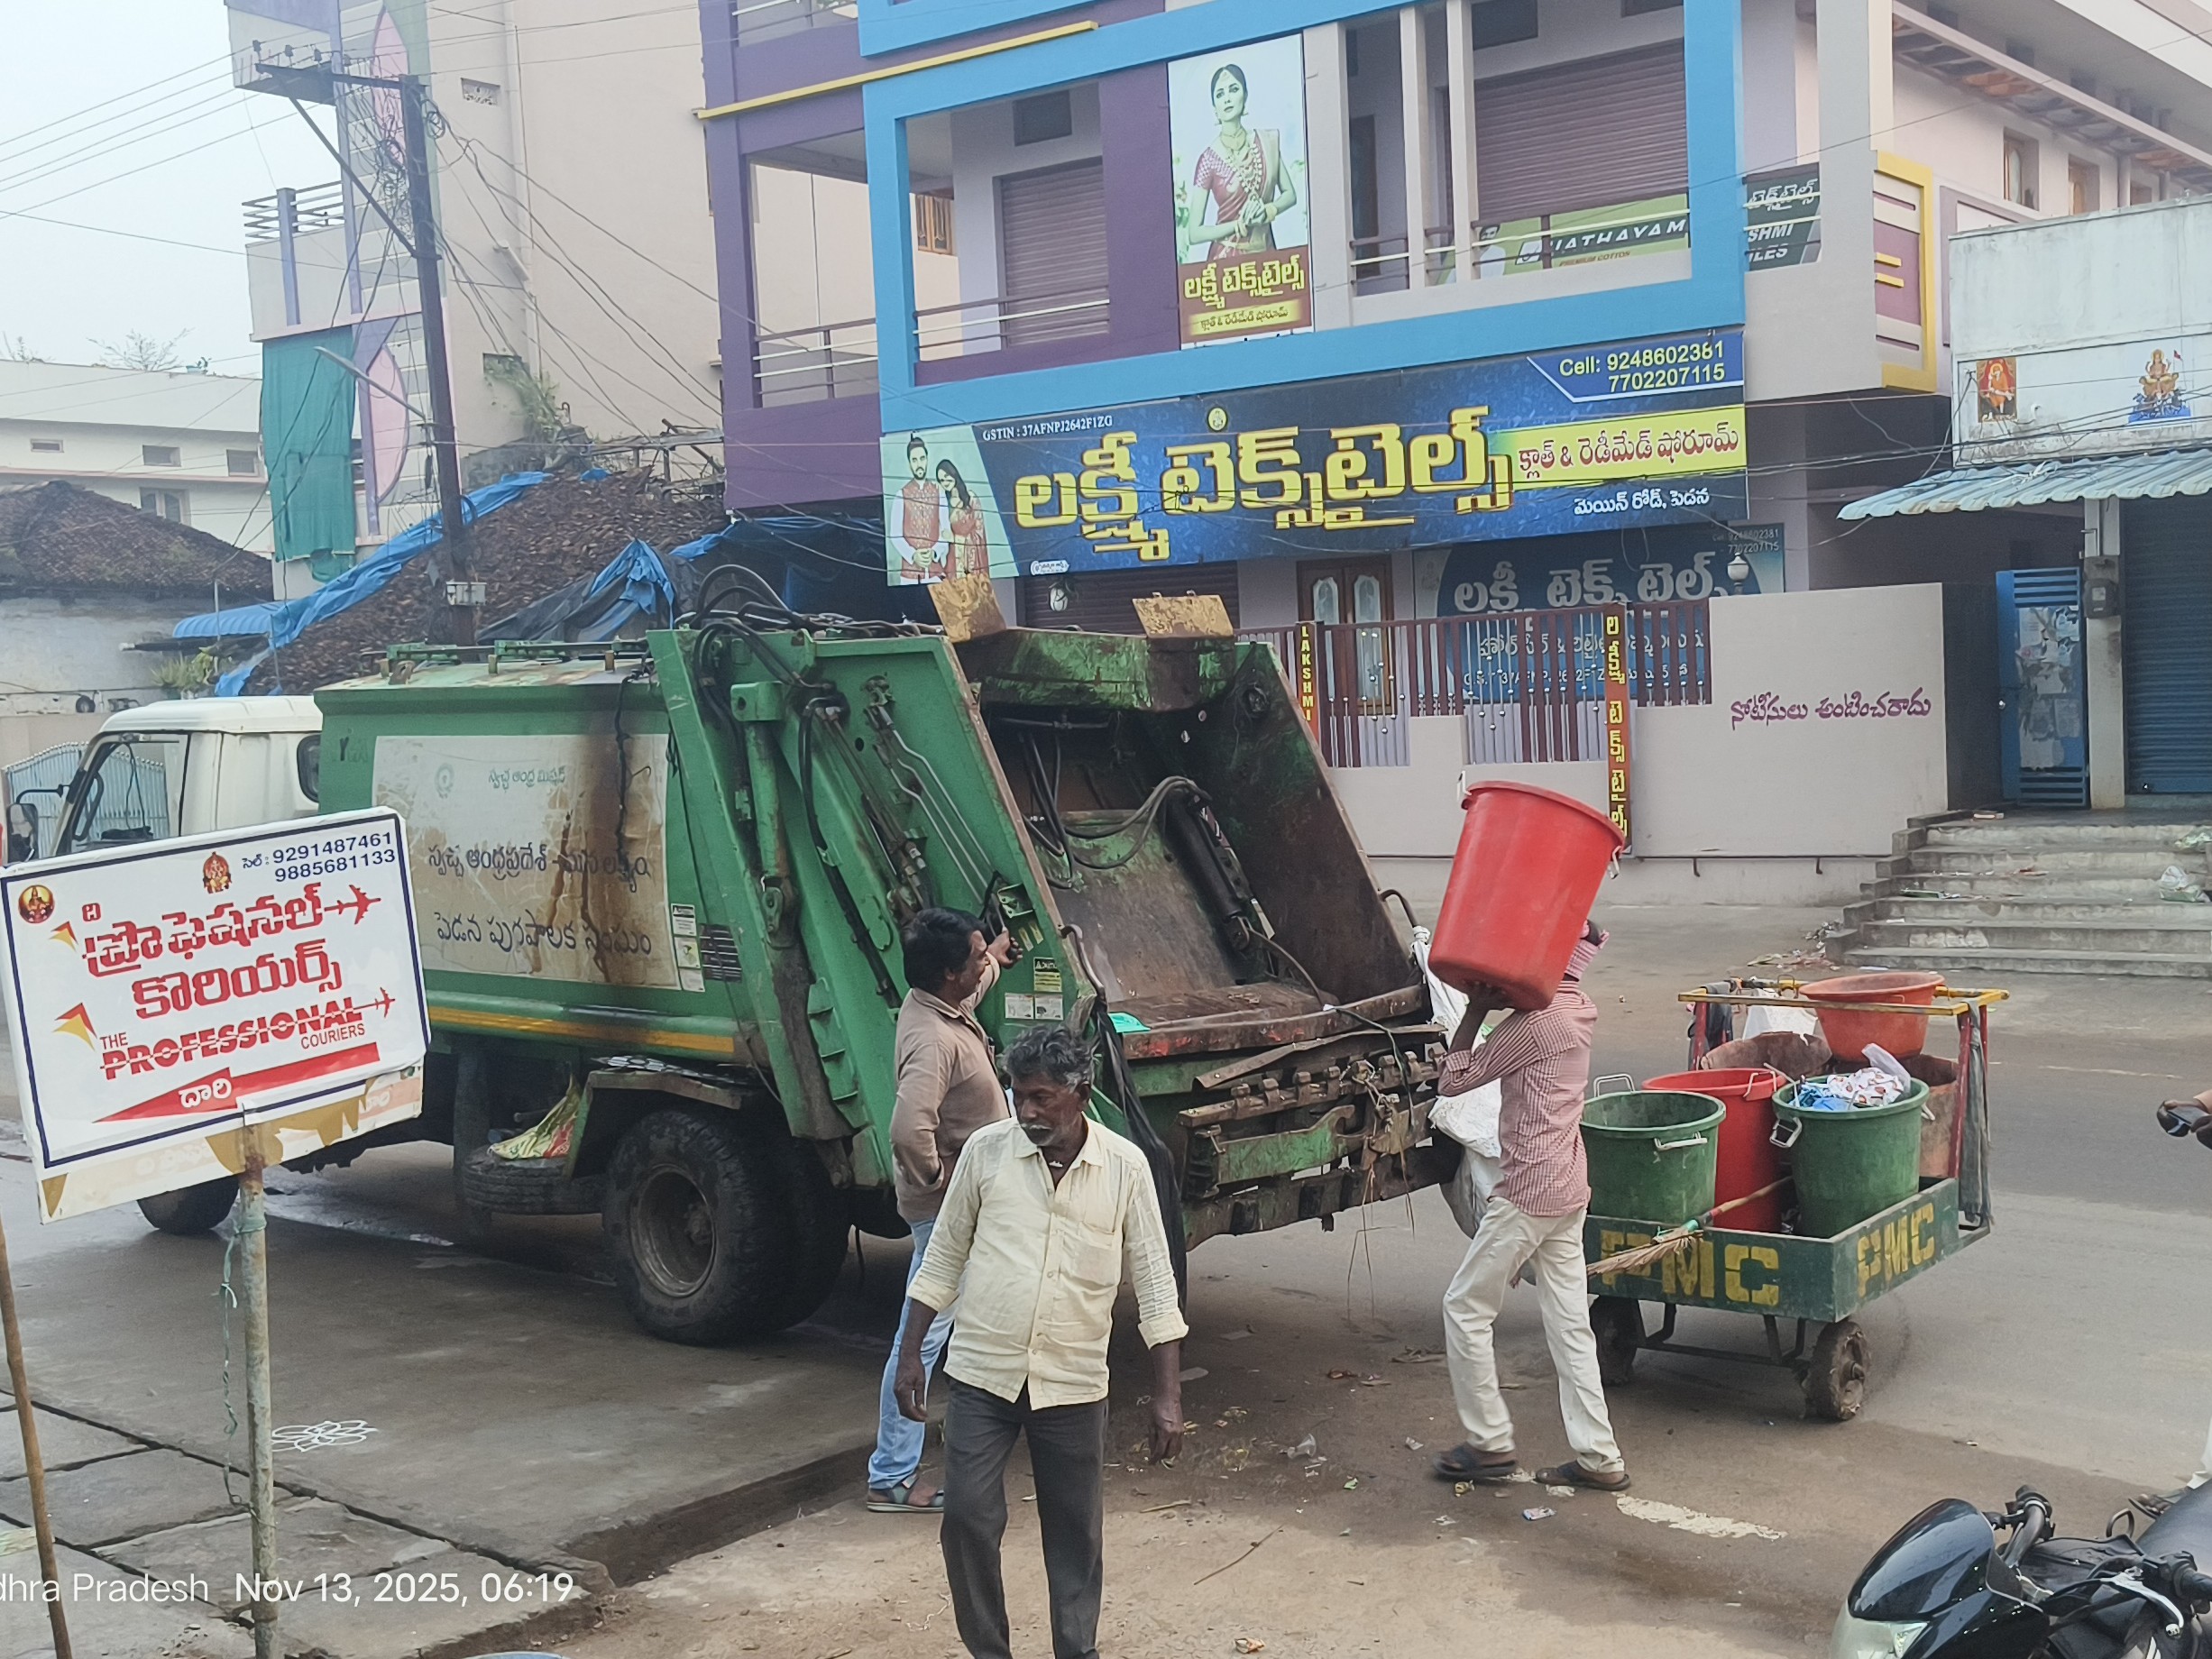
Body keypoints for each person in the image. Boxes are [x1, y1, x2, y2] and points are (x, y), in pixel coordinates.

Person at [894, 1026, 1186, 1659]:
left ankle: (1075, 1651)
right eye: (1018, 1095)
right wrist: (911, 1353)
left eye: (1040, 1098)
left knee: (1074, 1535)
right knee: (967, 1516)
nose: (1025, 1111)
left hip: (1073, 1383)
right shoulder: (985, 1152)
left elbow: (1157, 1287)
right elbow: (942, 1257)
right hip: (981, 1375)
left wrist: (1167, 1396)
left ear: (1079, 1094)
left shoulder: (1124, 1168)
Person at [1429, 921, 1629, 1493]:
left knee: (1464, 1306)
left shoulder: (1533, 1024)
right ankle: (1599, 1456)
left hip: (1531, 1192)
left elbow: (1453, 1081)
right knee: (1571, 1328)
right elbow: (1585, 941)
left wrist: (1472, 1011)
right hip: (1568, 1188)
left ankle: (1488, 1442)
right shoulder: (1578, 1010)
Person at [866, 906, 1013, 1514]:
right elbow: (907, 1129)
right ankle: (891, 1476)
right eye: (976, 958)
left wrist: (997, 958)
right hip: (947, 1213)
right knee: (920, 1340)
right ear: (948, 974)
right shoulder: (932, 1041)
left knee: (949, 1330)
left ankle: (970, 1442)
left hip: (967, 1207)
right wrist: (939, 1179)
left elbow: (975, 986)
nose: (983, 964)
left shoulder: (936, 1004)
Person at [1181, 62, 1298, 261]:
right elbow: (1194, 232)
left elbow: (1290, 195)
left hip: (1267, 254)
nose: (1227, 98)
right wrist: (1236, 225)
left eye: (1233, 90)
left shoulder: (1266, 142)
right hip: (1227, 260)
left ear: (1245, 95)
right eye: (1220, 94)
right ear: (1215, 108)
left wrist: (1268, 210)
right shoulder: (1208, 160)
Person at [898, 434, 946, 581]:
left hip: (936, 575)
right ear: (909, 464)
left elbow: (946, 530)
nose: (919, 464)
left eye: (922, 459)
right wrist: (913, 555)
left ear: (927, 459)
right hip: (909, 576)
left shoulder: (939, 492)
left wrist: (935, 552)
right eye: (914, 460)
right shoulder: (901, 494)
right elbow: (895, 535)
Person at [937, 459, 990, 580]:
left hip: (972, 563)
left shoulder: (971, 499)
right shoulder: (943, 504)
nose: (945, 482)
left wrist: (955, 539)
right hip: (952, 563)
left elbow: (980, 534)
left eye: (946, 476)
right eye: (941, 480)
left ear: (953, 474)